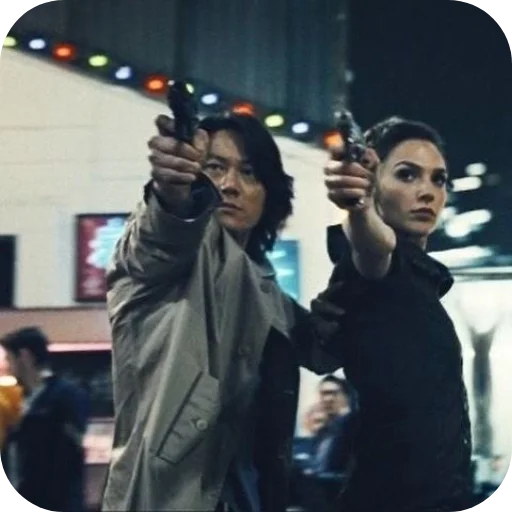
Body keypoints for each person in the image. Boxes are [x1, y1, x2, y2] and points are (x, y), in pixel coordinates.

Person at [101, 111, 338, 512]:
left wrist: (368, 240)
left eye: (249, 172)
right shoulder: (170, 253)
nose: (230, 184)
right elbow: (160, 236)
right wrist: (171, 193)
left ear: (269, 192)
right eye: (214, 168)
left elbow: (325, 347)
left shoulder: (264, 286)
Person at [311, 116, 474, 512]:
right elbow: (374, 245)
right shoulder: (375, 267)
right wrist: (359, 206)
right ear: (373, 182)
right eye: (407, 175)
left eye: (438, 179)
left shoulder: (419, 280)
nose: (427, 191)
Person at [0, 326, 89, 511]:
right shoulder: (17, 402)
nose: (7, 367)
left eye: (9, 359)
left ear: (24, 356)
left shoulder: (66, 396)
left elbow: (69, 456)